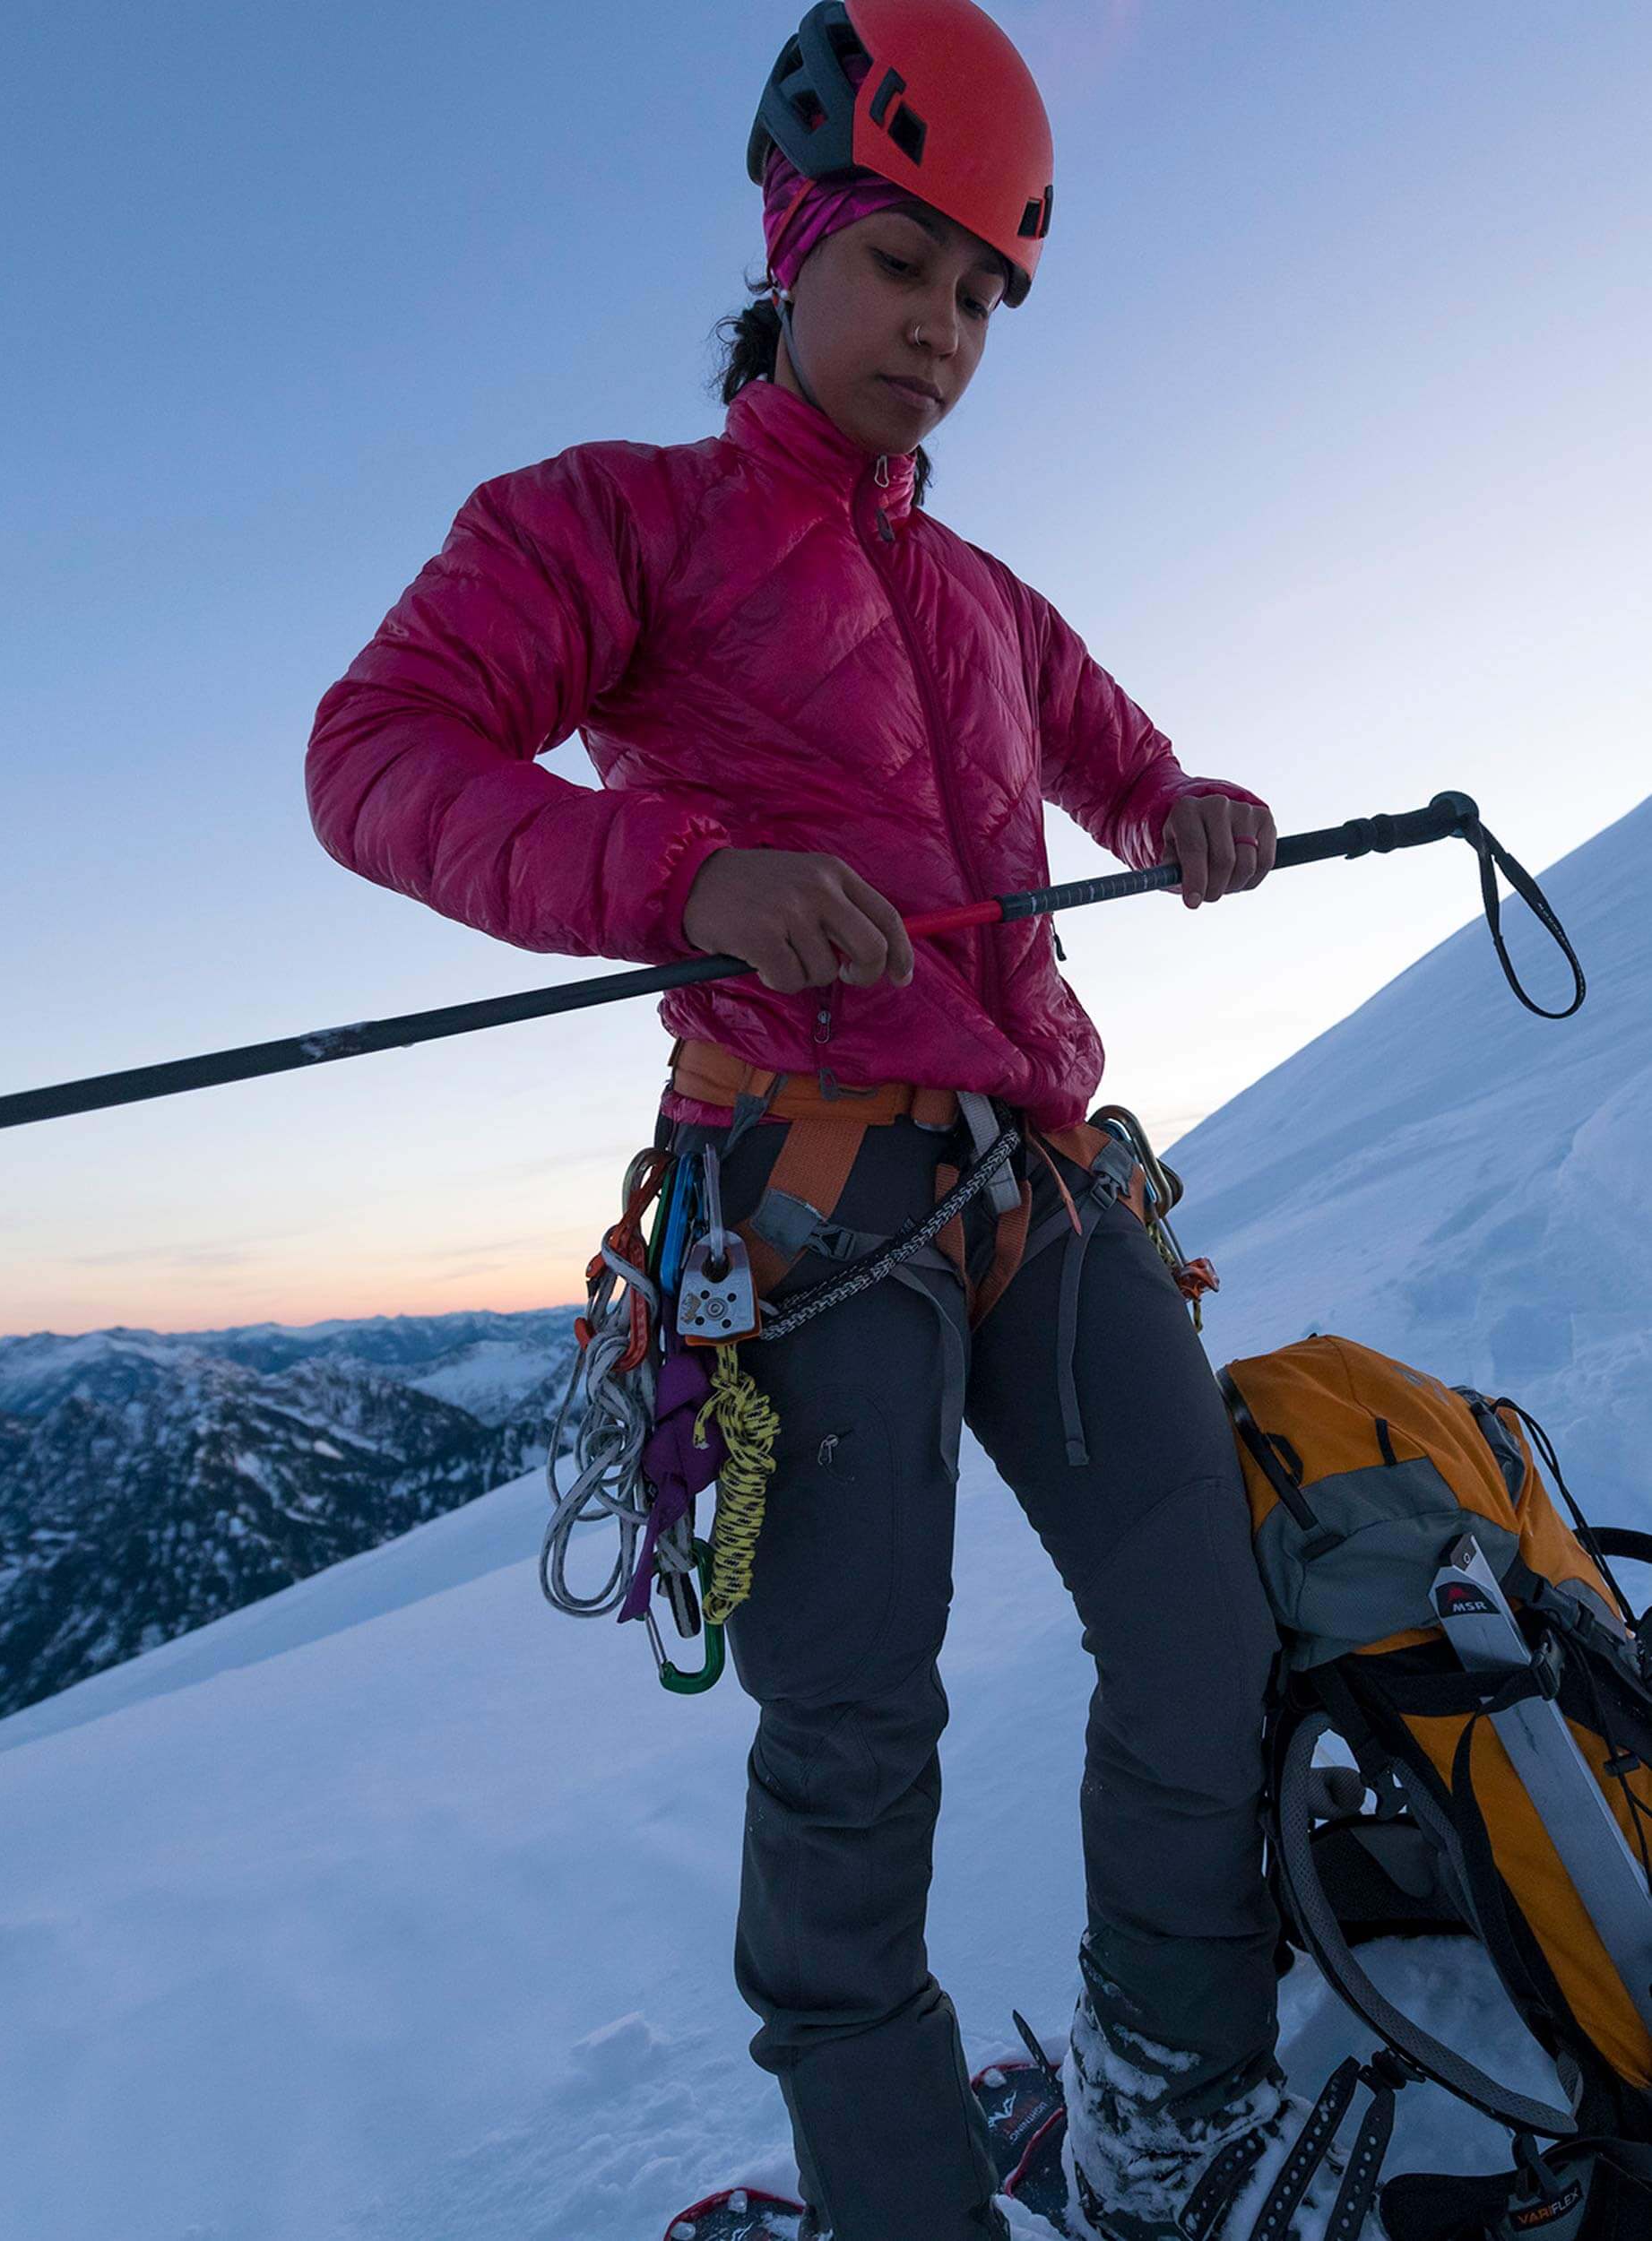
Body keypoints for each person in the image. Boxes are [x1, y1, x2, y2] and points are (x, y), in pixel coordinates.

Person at [306, 5, 1338, 2234]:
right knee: (853, 1751)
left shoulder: (977, 596)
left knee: (1197, 1633)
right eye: (902, 267)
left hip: (1038, 1182)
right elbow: (376, 750)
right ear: (792, 249)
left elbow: (1112, 752)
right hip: (800, 1204)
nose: (942, 331)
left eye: (981, 294)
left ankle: (1165, 2110)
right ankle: (898, 2199)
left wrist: (1183, 811)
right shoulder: (615, 526)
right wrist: (679, 879)